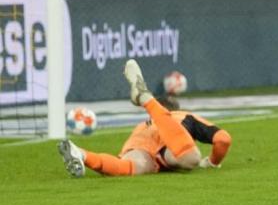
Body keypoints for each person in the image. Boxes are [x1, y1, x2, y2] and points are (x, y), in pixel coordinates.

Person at [58, 60, 232, 178]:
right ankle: (146, 99)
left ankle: (81, 154)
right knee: (191, 158)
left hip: (141, 139)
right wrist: (212, 162)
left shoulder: (142, 125)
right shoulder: (183, 116)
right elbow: (223, 139)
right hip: (170, 144)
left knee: (128, 167)